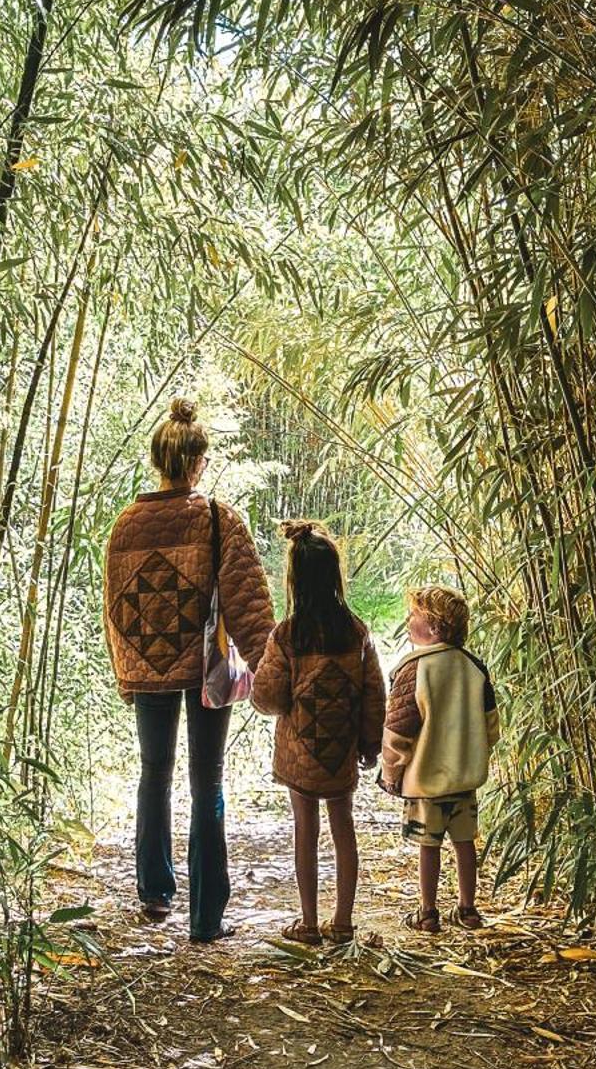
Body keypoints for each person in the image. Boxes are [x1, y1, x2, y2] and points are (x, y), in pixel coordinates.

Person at [103, 398, 275, 942]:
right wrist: (271, 668)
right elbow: (248, 602)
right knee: (208, 780)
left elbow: (116, 606)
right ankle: (206, 915)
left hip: (150, 667)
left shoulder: (126, 525)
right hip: (207, 667)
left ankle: (154, 893)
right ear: (198, 462)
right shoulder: (218, 519)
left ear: (159, 460)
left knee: (154, 773)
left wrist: (127, 670)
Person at [252, 522, 386, 946]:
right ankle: (343, 921)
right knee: (343, 827)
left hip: (300, 753)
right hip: (340, 752)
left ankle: (309, 923)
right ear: (335, 576)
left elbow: (268, 697)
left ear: (294, 580)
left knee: (304, 830)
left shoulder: (287, 634)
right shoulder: (357, 633)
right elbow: (373, 695)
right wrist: (369, 744)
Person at [380, 585, 500, 934]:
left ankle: (428, 912)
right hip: (465, 780)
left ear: (433, 628)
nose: (407, 621)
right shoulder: (474, 668)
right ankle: (468, 908)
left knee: (427, 846)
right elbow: (491, 725)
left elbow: (398, 731)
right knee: (465, 843)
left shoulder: (415, 669)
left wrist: (391, 772)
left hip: (426, 782)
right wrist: (477, 751)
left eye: (414, 616)